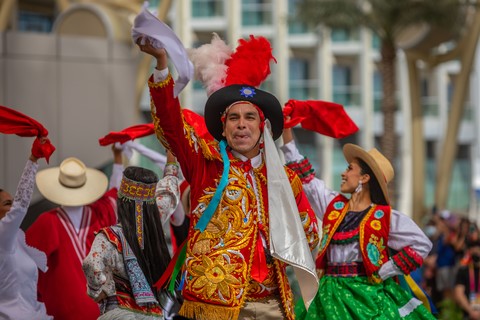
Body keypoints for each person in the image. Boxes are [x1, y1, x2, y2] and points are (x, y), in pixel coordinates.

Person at [136, 33, 319, 320]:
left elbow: (309, 233)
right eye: (234, 118)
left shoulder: (284, 179)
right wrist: (161, 65)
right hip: (215, 307)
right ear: (223, 128)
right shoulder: (204, 164)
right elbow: (171, 126)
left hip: (274, 305)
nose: (242, 125)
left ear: (263, 127)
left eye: (250, 117)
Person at [280, 127, 435, 319]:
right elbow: (306, 180)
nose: (343, 173)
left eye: (349, 168)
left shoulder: (384, 216)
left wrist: (385, 270)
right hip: (329, 293)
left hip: (366, 294)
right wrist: (287, 131)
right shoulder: (334, 206)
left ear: (364, 177)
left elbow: (422, 244)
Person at [25, 146, 125, 320]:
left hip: (63, 311)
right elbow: (116, 194)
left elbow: (24, 263)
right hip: (104, 310)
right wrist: (118, 158)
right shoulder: (100, 213)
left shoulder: (47, 222)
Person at [82, 159, 180, 319]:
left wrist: (97, 291)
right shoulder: (154, 228)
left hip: (119, 313)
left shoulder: (109, 237)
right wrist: (171, 164)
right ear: (151, 204)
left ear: (121, 202)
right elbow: (169, 194)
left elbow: (91, 263)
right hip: (153, 316)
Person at [0, 137, 52, 320]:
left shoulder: (16, 239)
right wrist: (33, 159)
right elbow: (21, 206)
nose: (13, 207)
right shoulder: (1, 238)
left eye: (12, 202)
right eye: (8, 204)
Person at [454, 239, 480, 320]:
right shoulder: (463, 270)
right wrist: (471, 311)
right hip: (468, 314)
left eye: (478, 248)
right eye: (472, 249)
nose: (475, 251)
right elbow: (459, 294)